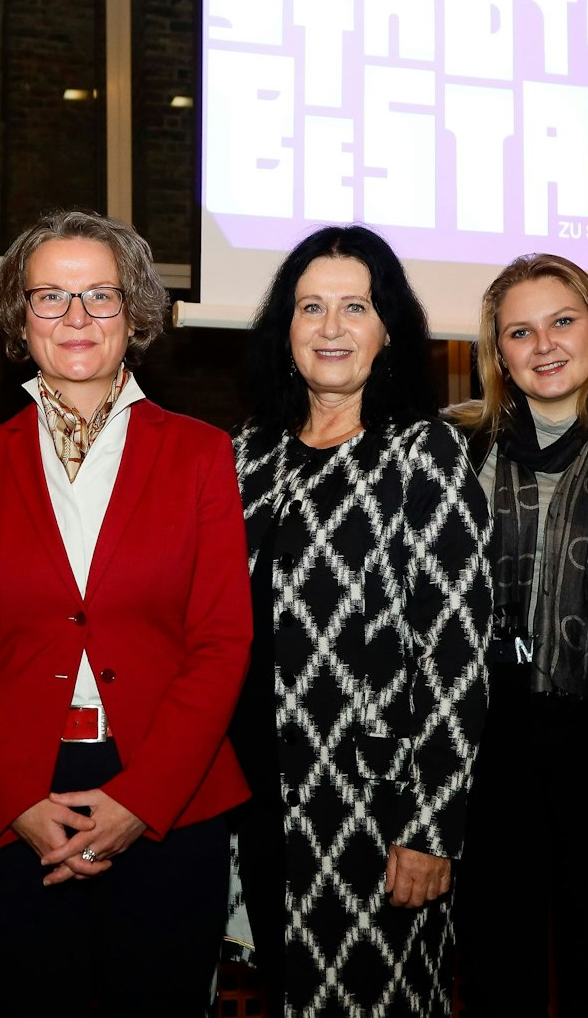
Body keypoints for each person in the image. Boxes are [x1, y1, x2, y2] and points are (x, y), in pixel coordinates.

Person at [0, 210, 252, 1015]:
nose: (75, 319)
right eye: (50, 297)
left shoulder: (202, 453)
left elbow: (222, 639)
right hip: (10, 802)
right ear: (17, 317)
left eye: (99, 296)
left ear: (134, 315)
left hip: (167, 798)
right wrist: (18, 799)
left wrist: (140, 799)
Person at [229, 224, 492, 1017]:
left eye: (355, 306)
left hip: (375, 814)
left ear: (388, 331)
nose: (332, 327)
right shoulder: (248, 458)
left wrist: (431, 826)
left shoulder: (426, 454)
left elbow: (456, 650)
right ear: (286, 331)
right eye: (311, 307)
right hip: (256, 798)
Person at [444, 254, 588, 1016]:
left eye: (563, 320)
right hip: (485, 748)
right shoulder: (456, 447)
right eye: (519, 331)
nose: (545, 344)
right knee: (497, 978)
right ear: (498, 352)